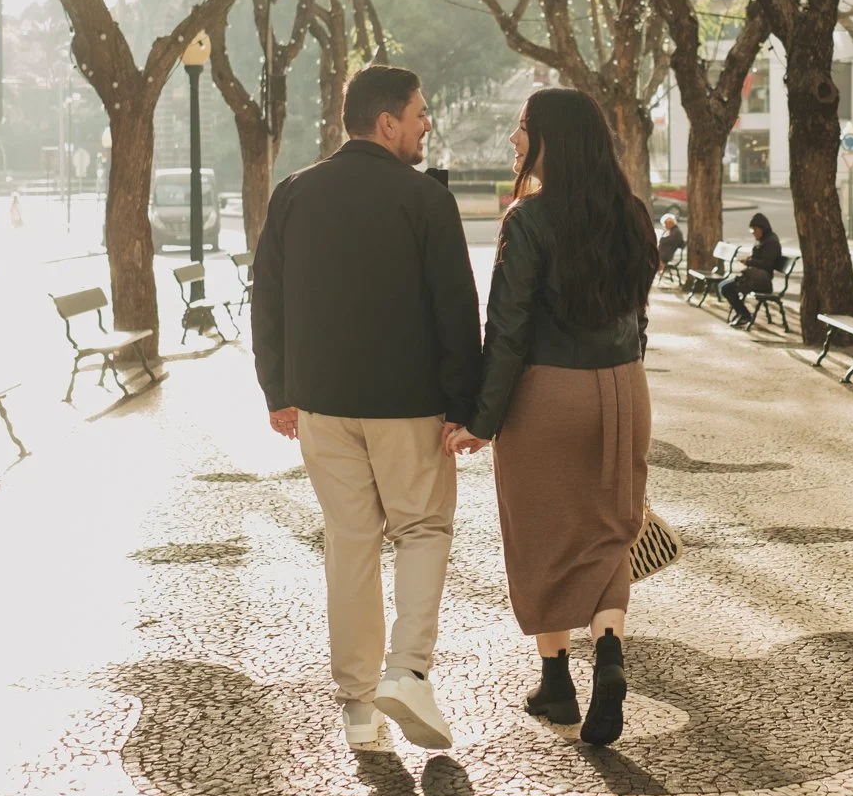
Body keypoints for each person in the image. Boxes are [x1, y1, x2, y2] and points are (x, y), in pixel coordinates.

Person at [253, 65, 482, 751]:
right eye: (418, 113)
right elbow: (455, 309)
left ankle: (358, 706)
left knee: (349, 543)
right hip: (409, 406)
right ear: (387, 122)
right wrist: (465, 403)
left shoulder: (293, 192)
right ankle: (407, 669)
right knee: (423, 530)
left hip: (321, 404)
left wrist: (279, 391)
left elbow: (268, 295)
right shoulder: (425, 199)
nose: (425, 123)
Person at [448, 87, 660, 748]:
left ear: (551, 140)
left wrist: (482, 419)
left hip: (548, 394)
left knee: (540, 533)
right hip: (625, 388)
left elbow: (507, 330)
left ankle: (557, 681)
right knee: (606, 530)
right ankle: (611, 654)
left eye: (521, 129)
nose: (514, 141)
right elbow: (641, 314)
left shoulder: (527, 220)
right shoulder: (634, 214)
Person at [719, 213, 782, 328]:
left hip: (762, 281)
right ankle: (741, 313)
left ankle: (744, 314)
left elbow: (767, 264)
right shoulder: (763, 240)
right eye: (752, 230)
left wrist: (749, 262)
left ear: (762, 228)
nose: (753, 233)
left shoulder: (771, 242)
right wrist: (750, 259)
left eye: (755, 230)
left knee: (726, 288)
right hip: (755, 278)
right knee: (724, 286)